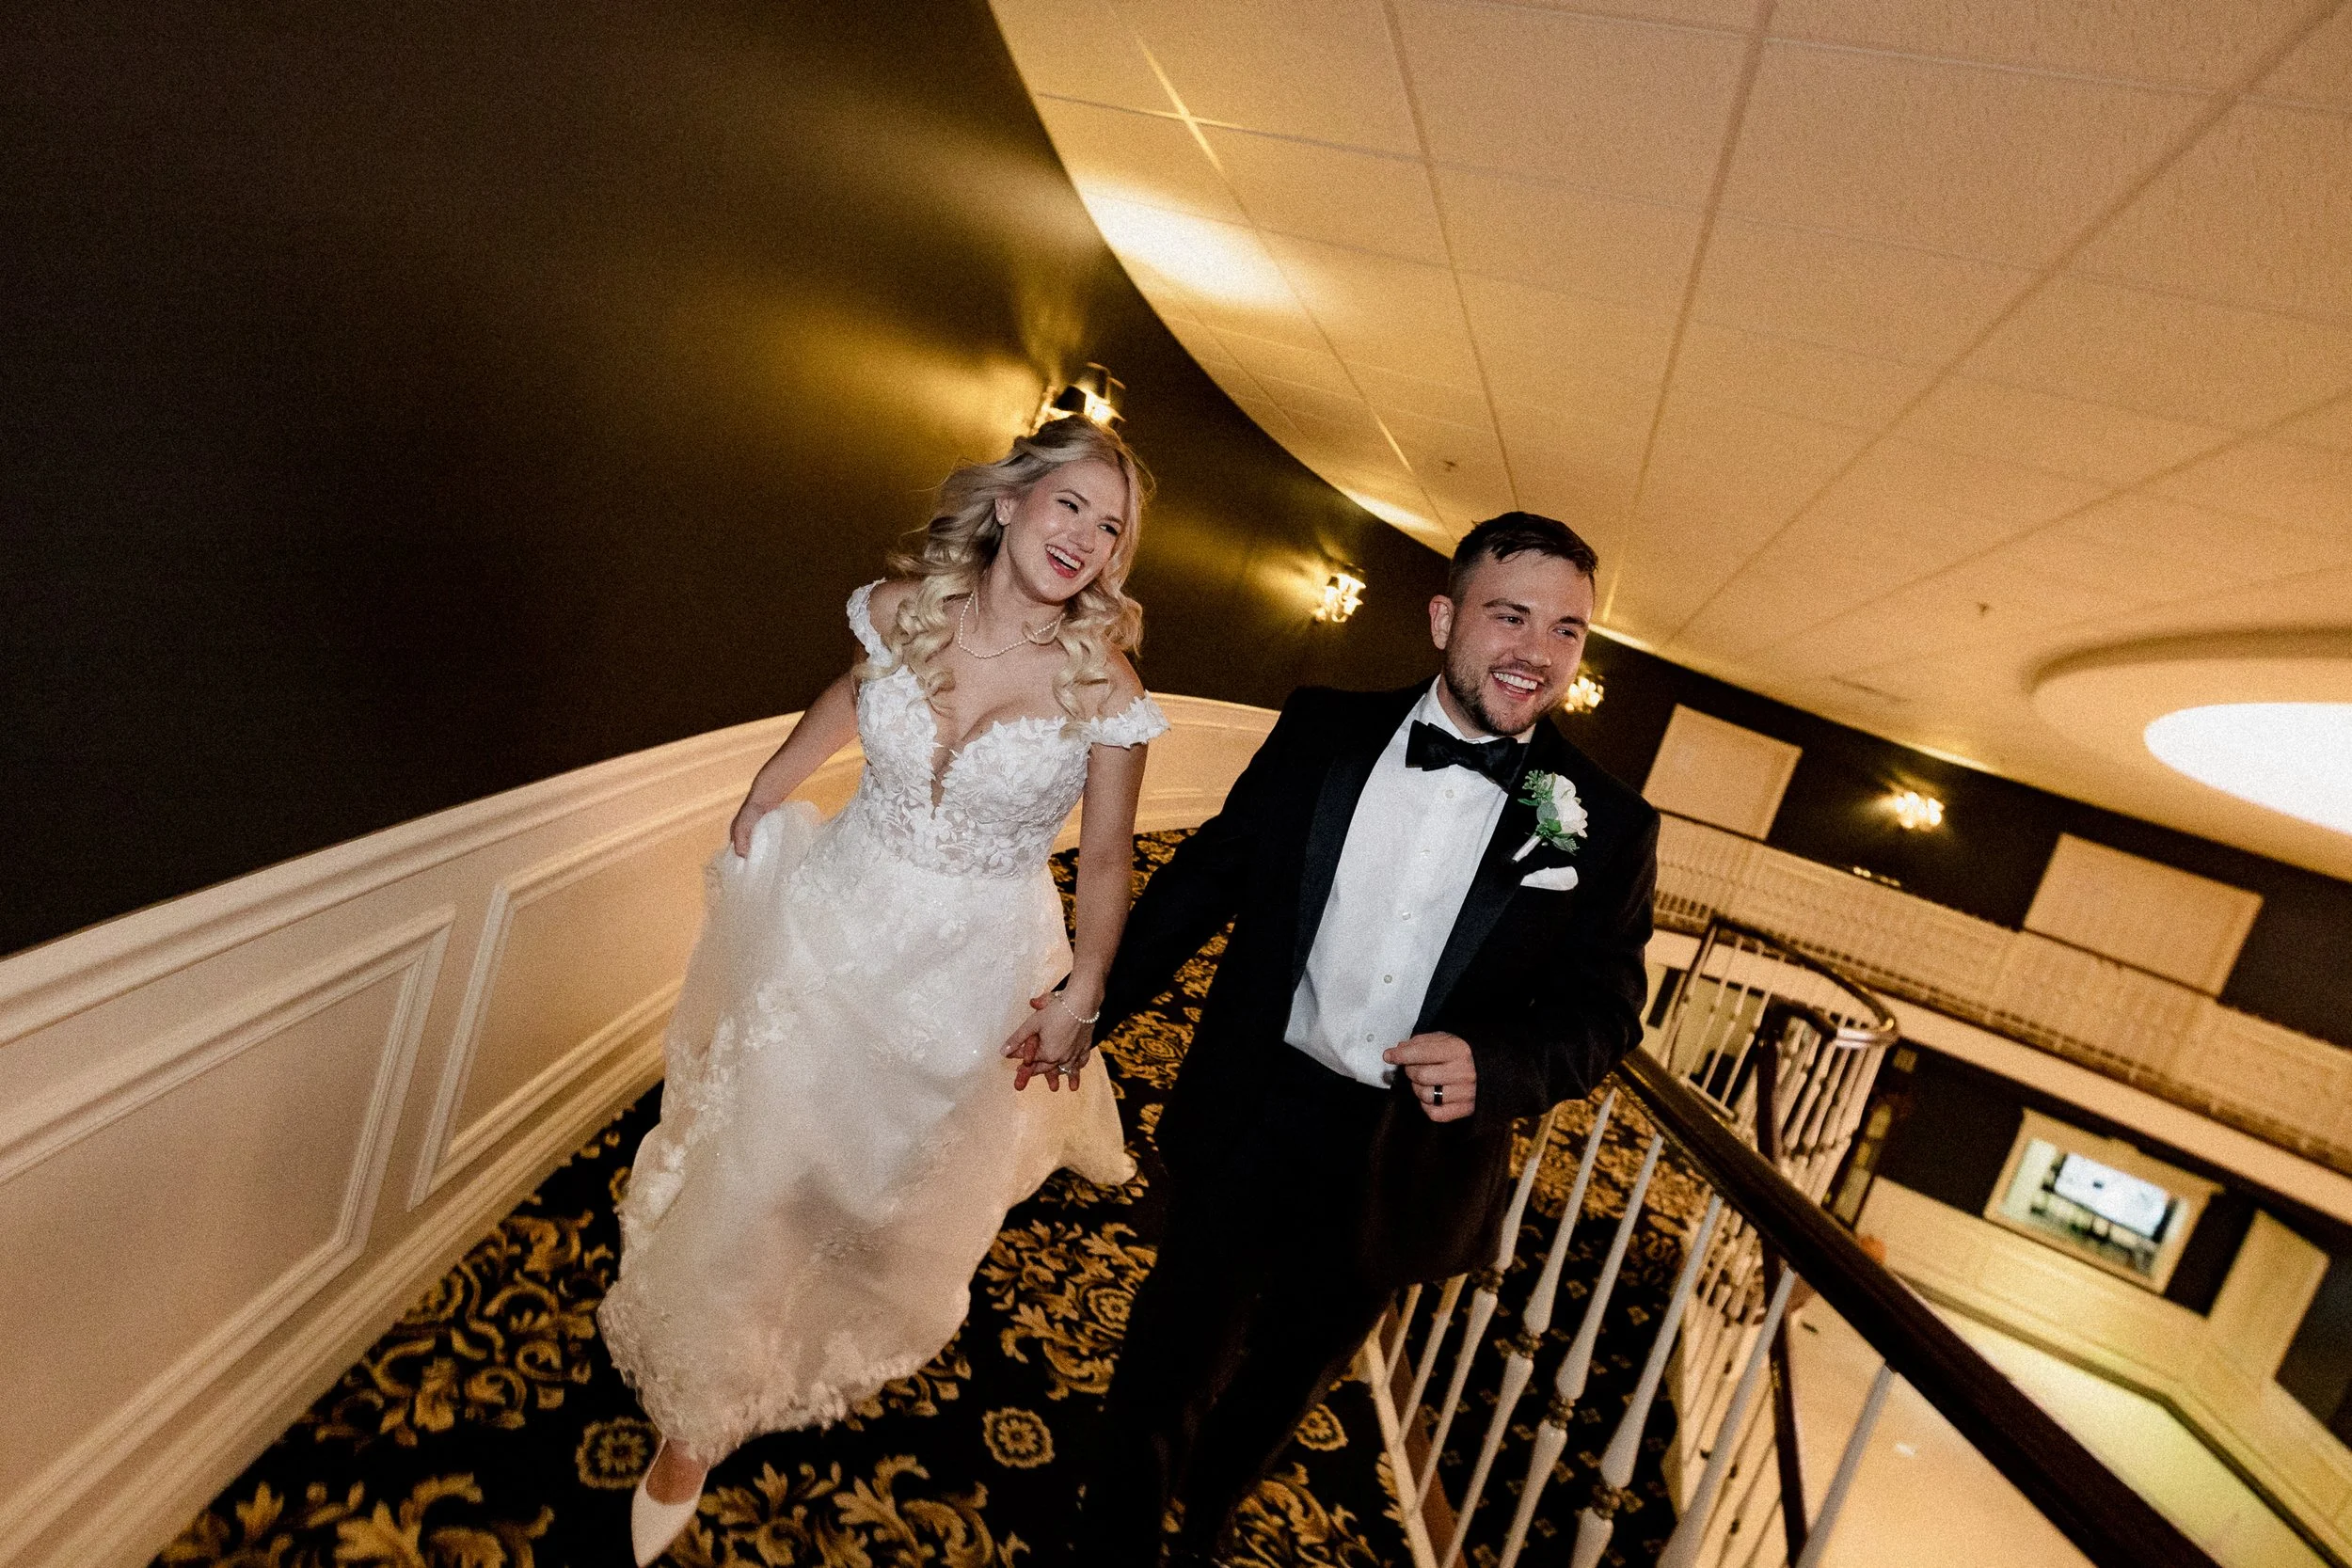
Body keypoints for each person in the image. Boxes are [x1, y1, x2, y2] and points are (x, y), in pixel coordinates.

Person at [596, 415, 1168, 1567]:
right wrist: (773, 780)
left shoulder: (1108, 684)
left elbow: (1105, 856)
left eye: (1110, 529)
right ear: (1009, 504)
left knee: (881, 1184)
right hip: (836, 921)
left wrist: (1086, 986)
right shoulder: (906, 605)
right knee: (760, 1153)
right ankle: (694, 1426)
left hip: (975, 961)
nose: (1087, 540)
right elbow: (853, 697)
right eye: (1070, 506)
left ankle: (814, 1302)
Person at [1072, 512, 1660, 1566]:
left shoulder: (1605, 821)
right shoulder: (1323, 726)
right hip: (1258, 1101)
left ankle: (1203, 1526)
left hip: (1408, 1155)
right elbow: (1211, 874)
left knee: (1283, 1381)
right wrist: (1088, 1004)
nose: (1537, 650)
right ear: (1444, 617)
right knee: (1166, 1360)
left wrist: (1500, 1065)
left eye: (1567, 629)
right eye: (1509, 614)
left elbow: (1607, 1010)